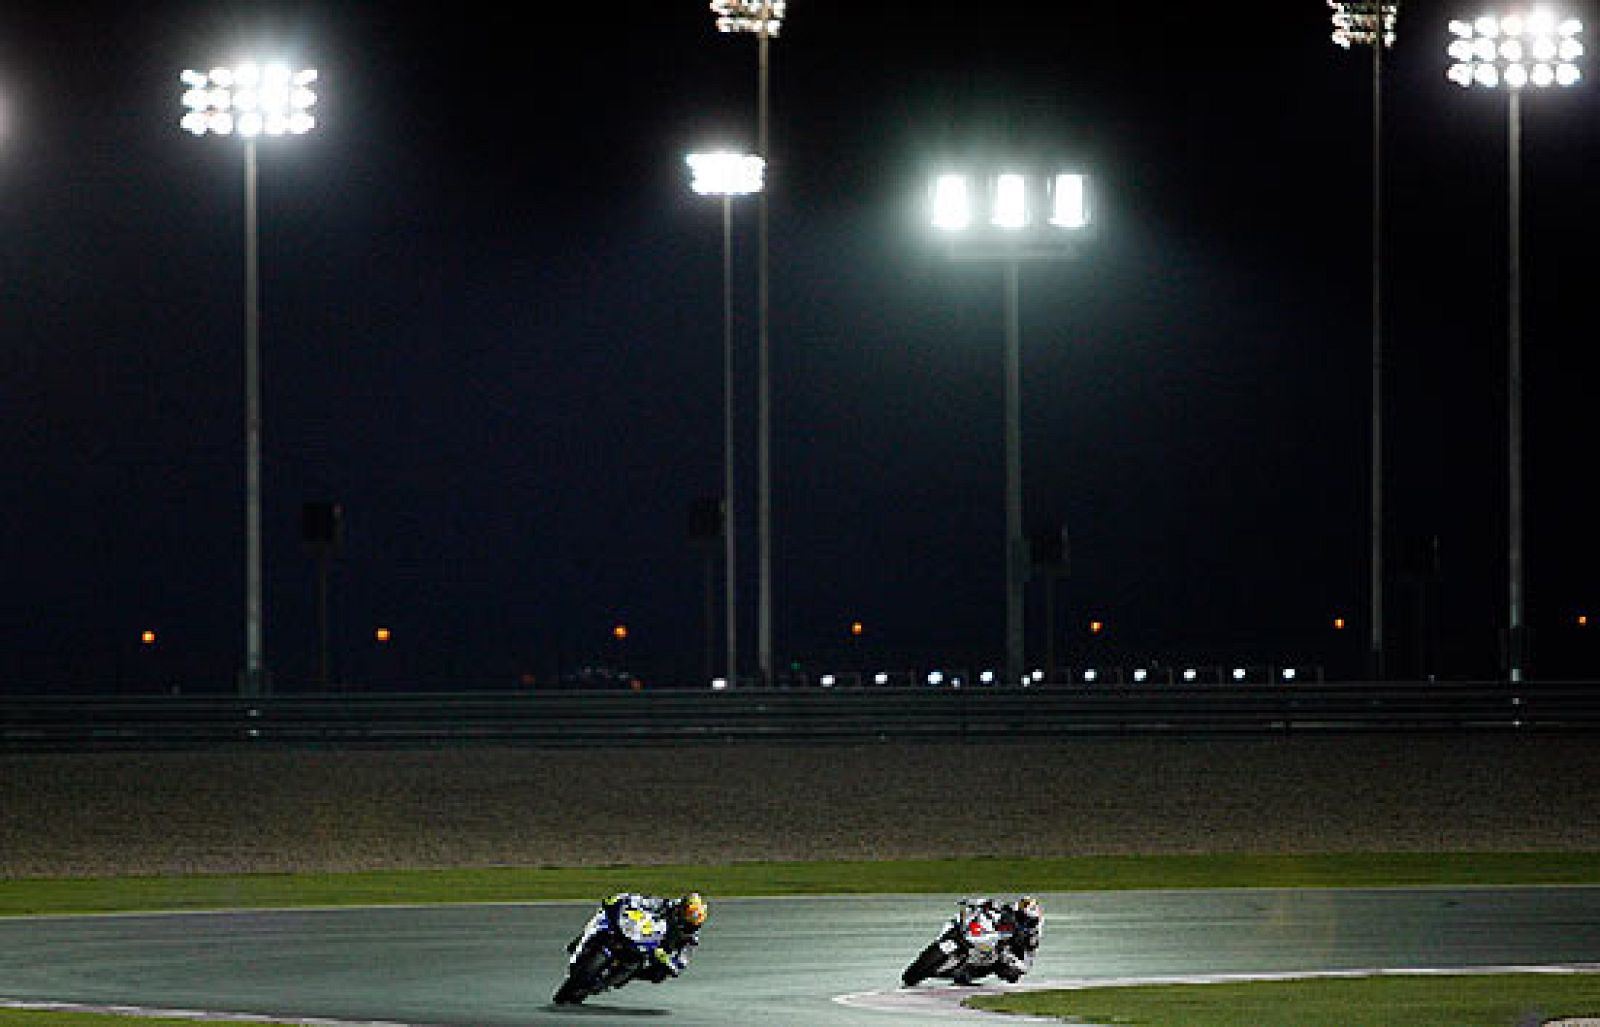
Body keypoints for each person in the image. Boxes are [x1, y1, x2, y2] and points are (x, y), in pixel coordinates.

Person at [568, 891, 708, 983]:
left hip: (654, 952)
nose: (684, 920)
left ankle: (625, 976)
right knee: (607, 914)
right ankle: (583, 941)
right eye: (685, 914)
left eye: (689, 920)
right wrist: (623, 899)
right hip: (641, 932)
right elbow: (641, 901)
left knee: (659, 975)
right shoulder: (667, 906)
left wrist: (668, 961)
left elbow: (681, 964)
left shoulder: (690, 939)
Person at [952, 895, 1042, 985]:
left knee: (1012, 974)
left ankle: (971, 970)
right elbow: (991, 903)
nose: (1023, 921)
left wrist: (1008, 959)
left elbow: (1027, 962)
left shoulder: (1032, 936)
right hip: (989, 933)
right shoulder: (1009, 910)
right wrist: (974, 902)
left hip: (1004, 954)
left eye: (1027, 920)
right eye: (1021, 916)